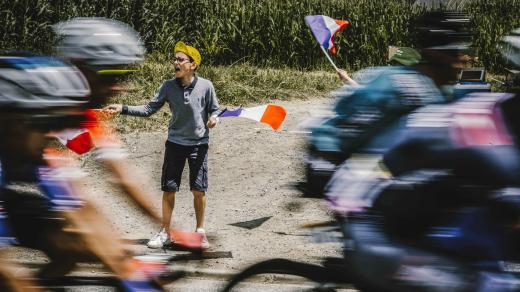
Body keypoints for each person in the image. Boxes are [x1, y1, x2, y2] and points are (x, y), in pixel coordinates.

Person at [324, 10, 474, 215]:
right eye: (458, 52)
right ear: (438, 54)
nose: (466, 59)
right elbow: (347, 137)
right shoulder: (398, 87)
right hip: (383, 207)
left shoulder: (447, 93)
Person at [105, 41, 220, 249]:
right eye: (174, 59)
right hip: (175, 143)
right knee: (169, 189)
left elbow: (215, 109)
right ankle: (165, 232)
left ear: (193, 65)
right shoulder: (168, 86)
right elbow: (149, 109)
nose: (175, 62)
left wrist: (214, 119)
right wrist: (122, 107)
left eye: (180, 59)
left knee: (199, 190)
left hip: (198, 145)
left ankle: (200, 232)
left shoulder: (206, 86)